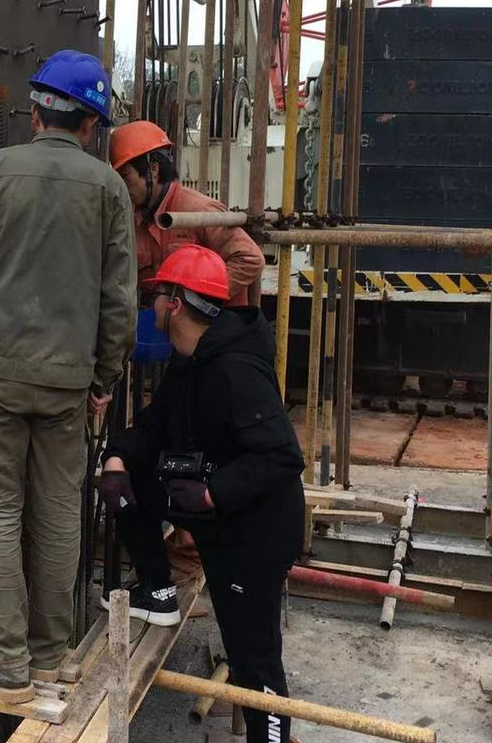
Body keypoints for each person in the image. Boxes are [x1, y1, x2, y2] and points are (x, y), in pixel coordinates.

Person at [0, 49, 137, 705]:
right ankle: (50, 656)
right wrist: (102, 377)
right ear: (91, 125)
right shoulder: (108, 189)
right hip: (66, 382)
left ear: (35, 112)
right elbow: (119, 301)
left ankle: (7, 663)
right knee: (57, 515)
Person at [100, 245, 304, 743]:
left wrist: (213, 494)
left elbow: (282, 455)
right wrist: (117, 457)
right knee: (130, 480)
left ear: (174, 304)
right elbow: (155, 425)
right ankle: (158, 588)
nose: (151, 304)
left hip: (255, 535)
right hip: (219, 519)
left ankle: (270, 737)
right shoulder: (190, 362)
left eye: (157, 295)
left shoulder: (236, 370)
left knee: (252, 658)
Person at [109, 120, 264, 306]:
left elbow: (250, 259)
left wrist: (201, 302)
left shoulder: (198, 211)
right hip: (162, 320)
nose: (122, 187)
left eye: (126, 177)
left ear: (153, 169)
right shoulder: (133, 220)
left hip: (213, 322)